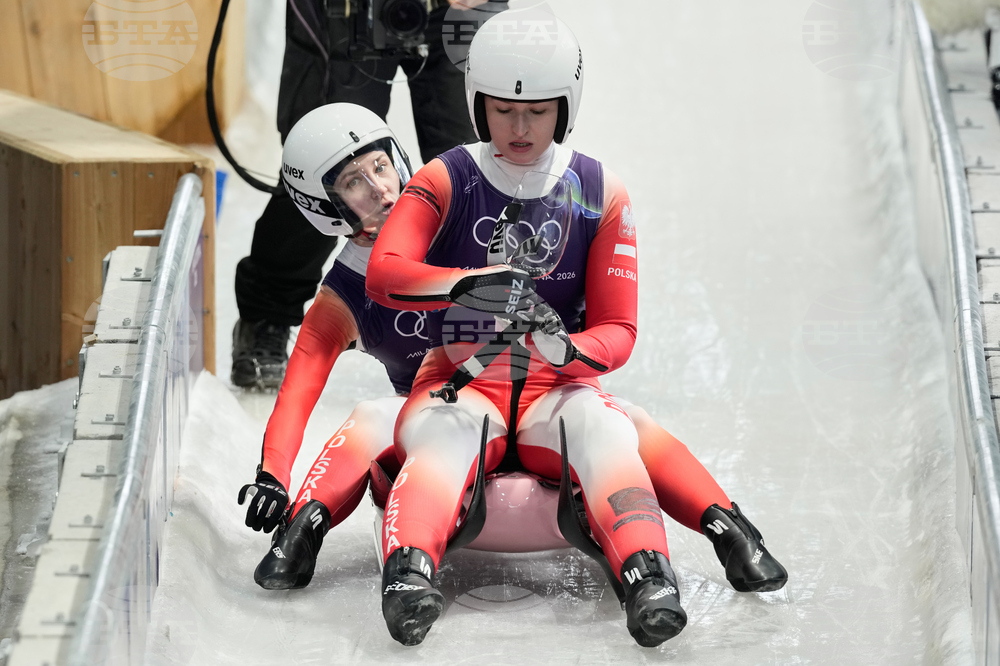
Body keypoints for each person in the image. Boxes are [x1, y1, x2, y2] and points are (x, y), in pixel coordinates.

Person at [242, 99, 784, 644]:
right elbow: (298, 388)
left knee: (621, 421)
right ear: (324, 205)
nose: (381, 189)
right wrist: (273, 475)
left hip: (541, 404)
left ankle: (731, 530)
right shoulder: (342, 298)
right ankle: (302, 531)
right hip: (441, 435)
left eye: (381, 166)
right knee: (373, 417)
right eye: (355, 182)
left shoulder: (447, 202)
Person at [365, 9, 784, 648]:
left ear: (567, 107)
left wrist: (568, 352)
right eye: (503, 110)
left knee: (603, 426)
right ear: (478, 105)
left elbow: (619, 329)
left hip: (553, 385)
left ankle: (649, 577)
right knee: (446, 436)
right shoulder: (443, 178)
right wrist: (463, 283)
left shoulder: (600, 190)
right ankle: (410, 577)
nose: (520, 127)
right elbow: (384, 274)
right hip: (459, 382)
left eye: (537, 111)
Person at [230, 0, 485, 389]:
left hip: (455, 12)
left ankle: (495, 306)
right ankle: (268, 316)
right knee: (325, 160)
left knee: (475, 168)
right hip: (346, 9)